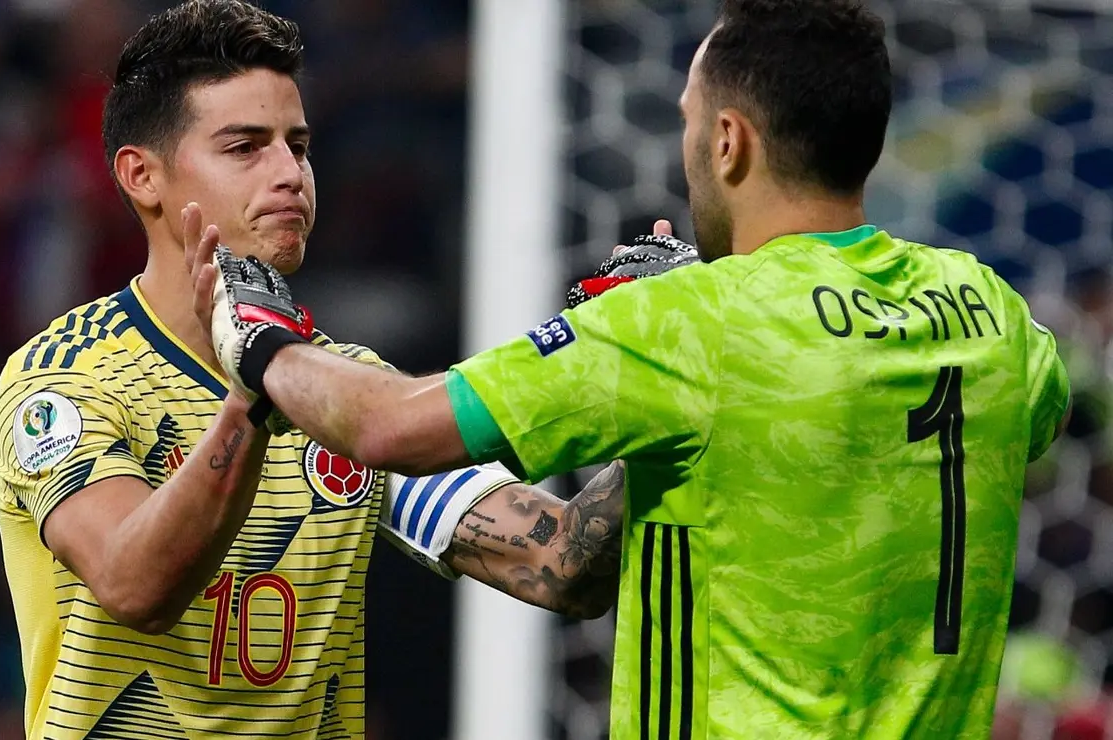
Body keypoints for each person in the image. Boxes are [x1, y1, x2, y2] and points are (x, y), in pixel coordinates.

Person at [192, 0, 1074, 737]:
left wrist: (265, 341)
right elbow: (986, 415)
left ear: (728, 141)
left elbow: (389, 425)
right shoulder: (990, 312)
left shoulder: (694, 324)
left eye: (689, 121)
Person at [0, 2, 633, 738]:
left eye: (298, 145)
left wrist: (644, 369)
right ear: (143, 176)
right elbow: (135, 585)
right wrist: (255, 389)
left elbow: (563, 562)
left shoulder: (346, 393)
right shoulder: (67, 377)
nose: (290, 173)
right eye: (244, 147)